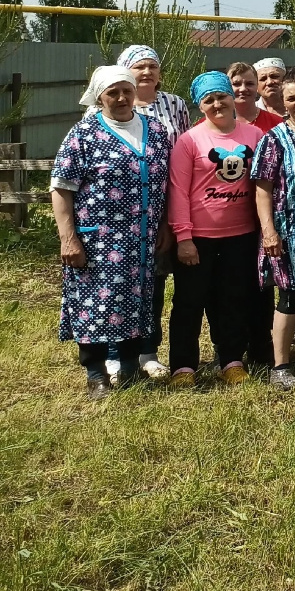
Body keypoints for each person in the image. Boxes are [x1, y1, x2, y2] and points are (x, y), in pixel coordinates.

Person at [50, 66, 173, 399]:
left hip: (143, 241)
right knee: (93, 305)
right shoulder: (84, 134)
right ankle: (96, 374)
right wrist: (69, 237)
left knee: (138, 303)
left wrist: (164, 225)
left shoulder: (157, 130)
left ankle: (131, 369)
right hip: (98, 241)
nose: (121, 98)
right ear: (99, 96)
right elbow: (61, 188)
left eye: (126, 91)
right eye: (112, 92)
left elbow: (166, 184)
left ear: (135, 92)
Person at [167, 71, 265, 387]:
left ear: (232, 98)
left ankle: (232, 360)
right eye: (209, 100)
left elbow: (264, 183)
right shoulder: (190, 140)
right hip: (198, 237)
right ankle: (183, 366)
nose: (217, 104)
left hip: (242, 235)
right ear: (200, 106)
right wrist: (183, 238)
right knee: (189, 302)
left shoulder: (253, 136)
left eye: (222, 96)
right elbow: (178, 190)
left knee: (234, 298)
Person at [112, 44, 187, 381]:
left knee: (154, 283)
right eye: (139, 67)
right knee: (118, 284)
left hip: (162, 204)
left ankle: (147, 351)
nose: (146, 73)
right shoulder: (110, 104)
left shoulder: (174, 104)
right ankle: (114, 353)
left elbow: (185, 152)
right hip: (117, 210)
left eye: (151, 67)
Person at [251, 67, 295, 390]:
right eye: (290, 98)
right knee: (290, 295)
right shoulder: (275, 139)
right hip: (288, 230)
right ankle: (280, 363)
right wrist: (269, 231)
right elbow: (262, 188)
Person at [226, 61, 284, 136]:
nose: (243, 89)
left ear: (257, 86)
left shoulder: (278, 124)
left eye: (249, 84)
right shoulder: (216, 123)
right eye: (236, 84)